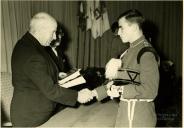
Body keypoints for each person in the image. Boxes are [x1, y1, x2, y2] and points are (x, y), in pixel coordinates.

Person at [10, 12, 93, 127]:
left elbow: (40, 76)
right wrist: (77, 96)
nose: (55, 37)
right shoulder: (31, 53)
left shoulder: (29, 45)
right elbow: (50, 90)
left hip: (39, 113)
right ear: (41, 30)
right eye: (53, 32)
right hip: (31, 119)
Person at [92, 9, 160, 127]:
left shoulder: (146, 53)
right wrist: (93, 93)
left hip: (138, 119)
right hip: (125, 115)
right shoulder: (128, 52)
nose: (118, 32)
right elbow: (119, 82)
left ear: (134, 27)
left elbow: (150, 90)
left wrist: (120, 90)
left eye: (121, 28)